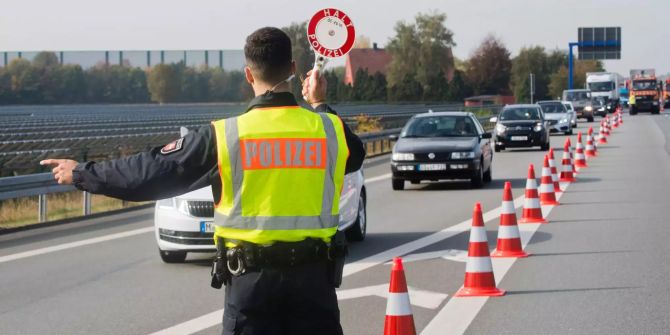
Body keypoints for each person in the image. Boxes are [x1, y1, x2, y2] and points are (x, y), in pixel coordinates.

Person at [40, 27, 366, 335]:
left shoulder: (225, 136)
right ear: (294, 68)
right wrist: (320, 104)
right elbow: (356, 155)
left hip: (251, 288)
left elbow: (149, 174)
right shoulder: (328, 131)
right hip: (314, 286)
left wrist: (83, 173)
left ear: (248, 74)